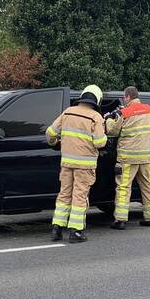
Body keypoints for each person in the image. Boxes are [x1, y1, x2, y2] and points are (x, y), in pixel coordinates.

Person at [46, 85, 108, 243]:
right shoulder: (95, 117)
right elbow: (100, 143)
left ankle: (56, 229)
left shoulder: (68, 112)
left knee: (64, 194)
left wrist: (55, 143)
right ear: (96, 100)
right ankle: (76, 231)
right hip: (85, 165)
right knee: (79, 197)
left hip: (66, 163)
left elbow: (50, 132)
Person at [105, 86, 150, 229]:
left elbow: (112, 131)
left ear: (127, 97)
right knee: (148, 186)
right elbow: (138, 114)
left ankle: (120, 220)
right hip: (147, 157)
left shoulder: (124, 113)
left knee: (123, 187)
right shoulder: (149, 109)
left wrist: (110, 118)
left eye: (125, 97)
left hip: (128, 158)